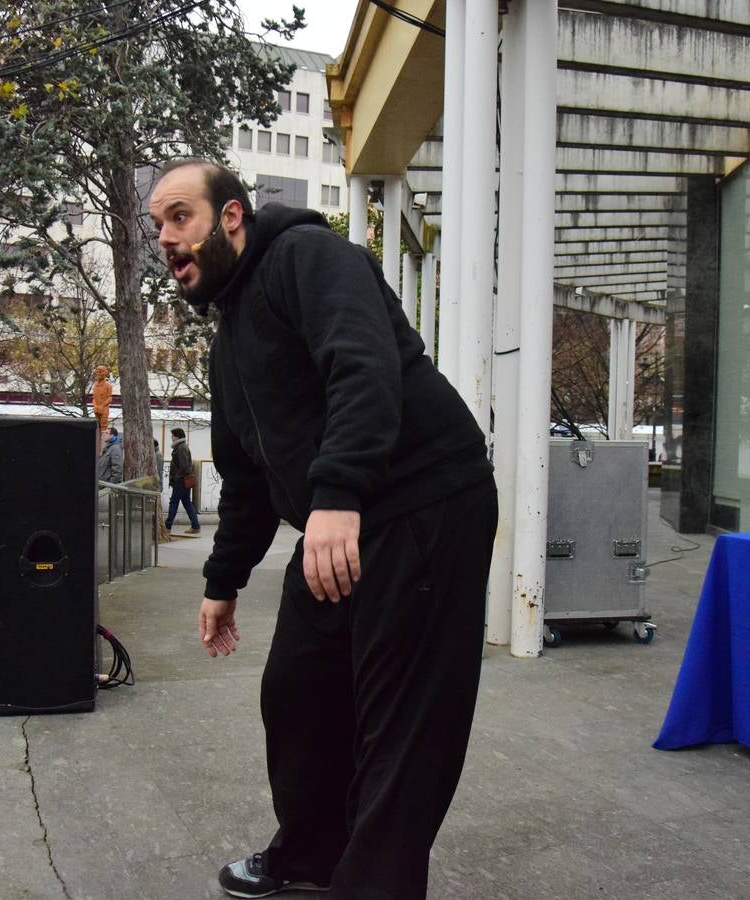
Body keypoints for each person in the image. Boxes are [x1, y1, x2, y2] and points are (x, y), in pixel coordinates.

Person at [148, 159, 497, 899]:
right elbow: (245, 477)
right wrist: (222, 583)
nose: (166, 238)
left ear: (232, 216)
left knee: (400, 721)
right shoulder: (228, 341)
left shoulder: (307, 258)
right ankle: (310, 853)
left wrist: (336, 493)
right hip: (347, 518)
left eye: (180, 216)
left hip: (426, 494)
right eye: (157, 226)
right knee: (298, 690)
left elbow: (362, 365)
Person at [166, 427, 200, 535]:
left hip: (180, 481)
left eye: (172, 436)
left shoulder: (181, 448)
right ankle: (195, 526)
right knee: (186, 503)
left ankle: (167, 527)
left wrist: (176, 478)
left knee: (174, 503)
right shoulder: (181, 447)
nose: (171, 438)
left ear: (177, 437)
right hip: (183, 480)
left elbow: (184, 466)